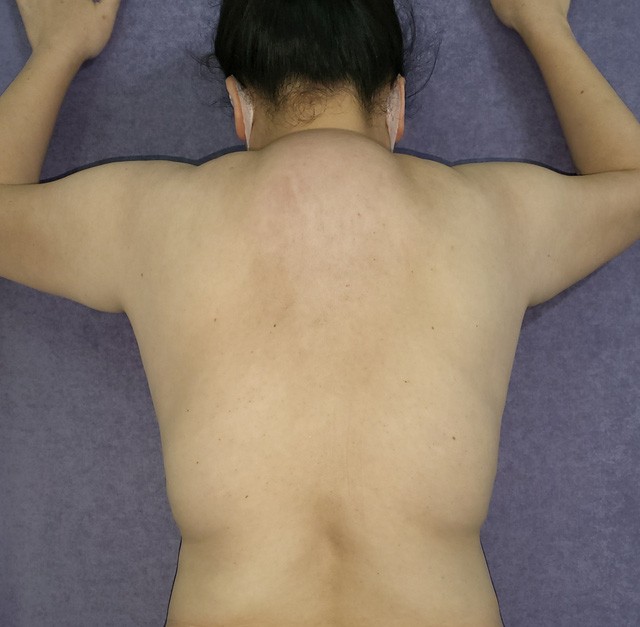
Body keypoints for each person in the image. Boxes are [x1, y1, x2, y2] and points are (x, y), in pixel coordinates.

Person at [0, 0, 638, 625]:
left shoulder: (153, 221)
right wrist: (541, 23)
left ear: (240, 107)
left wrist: (61, 47)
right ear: (395, 105)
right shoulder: (493, 219)